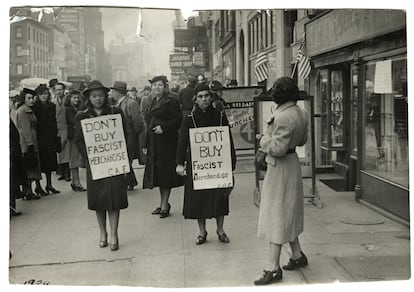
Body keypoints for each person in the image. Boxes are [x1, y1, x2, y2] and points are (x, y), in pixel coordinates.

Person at [254, 77, 309, 285]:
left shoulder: (283, 116)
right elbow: (303, 140)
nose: (273, 93)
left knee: (275, 215)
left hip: (280, 167)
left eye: (275, 90)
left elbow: (276, 148)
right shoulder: (300, 112)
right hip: (292, 163)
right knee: (288, 211)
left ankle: (272, 268)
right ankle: (297, 255)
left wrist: (263, 139)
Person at [176, 83, 236, 245]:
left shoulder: (220, 116)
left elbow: (228, 141)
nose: (203, 99)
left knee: (220, 197)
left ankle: (220, 229)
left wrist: (231, 164)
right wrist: (180, 163)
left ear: (211, 97)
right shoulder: (189, 119)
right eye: (200, 97)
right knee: (199, 199)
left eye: (206, 96)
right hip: (198, 166)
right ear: (195, 100)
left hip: (218, 165)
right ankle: (202, 232)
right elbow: (182, 143)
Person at [74, 80, 128, 251]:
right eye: (94, 96)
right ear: (89, 98)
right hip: (95, 164)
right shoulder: (82, 116)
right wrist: (90, 156)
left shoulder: (115, 112)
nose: (98, 99)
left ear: (106, 96)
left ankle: (114, 233)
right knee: (99, 200)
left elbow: (124, 135)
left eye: (101, 95)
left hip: (113, 162)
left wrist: (121, 155)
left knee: (114, 198)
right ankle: (102, 232)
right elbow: (78, 140)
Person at [143, 75, 184, 218]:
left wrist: (164, 128)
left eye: (159, 85)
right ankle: (162, 203)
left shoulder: (170, 101)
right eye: (154, 86)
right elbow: (148, 123)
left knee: (165, 174)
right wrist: (146, 144)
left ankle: (165, 205)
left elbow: (178, 120)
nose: (156, 88)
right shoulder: (152, 101)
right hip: (155, 144)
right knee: (159, 175)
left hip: (167, 143)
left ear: (165, 87)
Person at [110, 81, 143, 191]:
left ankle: (125, 183)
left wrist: (134, 134)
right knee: (124, 159)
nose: (111, 94)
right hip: (121, 136)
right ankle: (131, 181)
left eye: (113, 91)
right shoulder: (117, 104)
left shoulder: (130, 103)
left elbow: (137, 121)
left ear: (118, 92)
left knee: (126, 159)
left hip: (129, 135)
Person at [32, 84, 60, 195]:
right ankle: (38, 186)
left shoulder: (51, 106)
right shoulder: (35, 107)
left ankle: (49, 184)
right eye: (41, 94)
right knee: (40, 162)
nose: (43, 96)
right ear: (37, 96)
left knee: (50, 162)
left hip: (50, 137)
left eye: (45, 94)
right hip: (39, 137)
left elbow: (54, 121)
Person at [15, 88, 42, 200]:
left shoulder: (29, 110)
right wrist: (30, 144)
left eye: (32, 98)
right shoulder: (23, 111)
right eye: (28, 98)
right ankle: (28, 191)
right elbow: (25, 129)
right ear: (24, 99)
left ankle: (30, 190)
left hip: (32, 141)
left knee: (32, 165)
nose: (31, 100)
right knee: (29, 166)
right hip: (27, 142)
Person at [65, 89, 86, 192]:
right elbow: (72, 121)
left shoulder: (79, 108)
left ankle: (75, 181)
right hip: (73, 136)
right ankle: (76, 182)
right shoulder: (69, 109)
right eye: (74, 98)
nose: (76, 100)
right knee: (74, 159)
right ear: (70, 99)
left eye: (77, 98)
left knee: (76, 159)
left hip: (78, 135)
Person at [53, 82, 71, 181]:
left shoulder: (67, 100)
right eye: (56, 90)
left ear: (64, 90)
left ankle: (68, 173)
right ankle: (62, 173)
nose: (59, 92)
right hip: (57, 129)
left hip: (66, 127)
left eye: (60, 89)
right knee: (59, 151)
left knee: (66, 151)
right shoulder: (53, 101)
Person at [138, 86, 152, 165]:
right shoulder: (146, 99)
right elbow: (141, 111)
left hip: (147, 123)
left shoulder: (144, 99)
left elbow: (141, 111)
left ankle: (145, 158)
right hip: (148, 123)